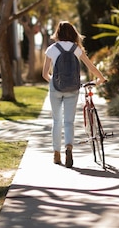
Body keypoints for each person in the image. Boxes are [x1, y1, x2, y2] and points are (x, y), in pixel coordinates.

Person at [42, 21, 106, 168]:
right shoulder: (76, 49)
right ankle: (69, 147)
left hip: (55, 89)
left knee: (57, 121)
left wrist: (54, 81)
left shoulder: (51, 49)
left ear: (58, 33)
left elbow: (45, 74)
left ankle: (56, 154)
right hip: (73, 88)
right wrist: (100, 78)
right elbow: (91, 66)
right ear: (73, 33)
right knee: (69, 122)